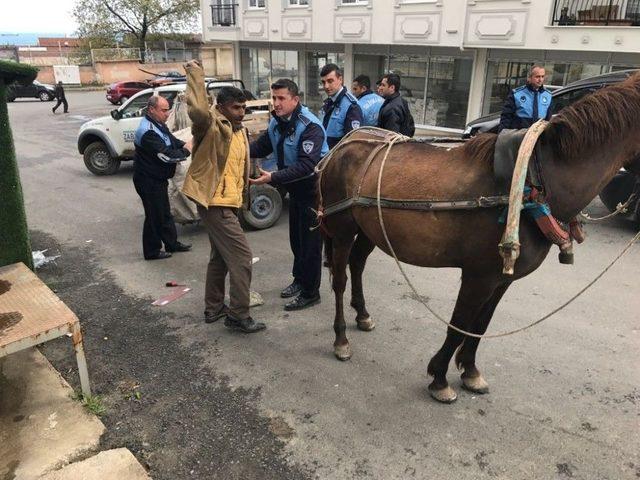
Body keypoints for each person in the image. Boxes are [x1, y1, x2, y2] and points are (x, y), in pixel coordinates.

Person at [181, 60, 265, 334]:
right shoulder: (211, 125)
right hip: (215, 203)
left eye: (243, 108)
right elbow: (197, 110)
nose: (241, 113)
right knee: (242, 258)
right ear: (221, 106)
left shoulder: (240, 129)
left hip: (231, 202)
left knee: (219, 257)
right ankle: (238, 315)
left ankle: (214, 308)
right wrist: (195, 74)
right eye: (235, 108)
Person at [250, 79, 328, 311]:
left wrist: (272, 178)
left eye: (281, 98)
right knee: (297, 240)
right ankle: (299, 279)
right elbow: (261, 147)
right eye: (274, 98)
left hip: (313, 192)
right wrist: (236, 149)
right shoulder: (277, 123)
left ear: (295, 100)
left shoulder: (310, 126)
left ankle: (311, 292)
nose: (276, 103)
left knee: (311, 245)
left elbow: (306, 166)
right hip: (294, 191)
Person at [132, 95, 192, 260]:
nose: (167, 114)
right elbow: (166, 156)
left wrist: (184, 144)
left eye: (168, 109)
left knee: (164, 212)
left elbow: (172, 141)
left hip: (157, 178)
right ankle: (151, 251)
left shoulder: (158, 125)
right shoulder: (147, 132)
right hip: (147, 180)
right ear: (152, 110)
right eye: (164, 110)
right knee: (154, 215)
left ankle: (172, 243)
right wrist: (187, 151)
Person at [320, 64, 363, 148]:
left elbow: (353, 143)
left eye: (330, 81)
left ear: (340, 79)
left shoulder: (351, 106)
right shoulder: (329, 101)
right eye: (323, 82)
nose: (326, 86)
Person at [498, 65, 552, 132]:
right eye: (537, 77)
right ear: (529, 78)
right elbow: (506, 116)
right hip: (519, 136)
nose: (540, 79)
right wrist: (502, 135)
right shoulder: (516, 94)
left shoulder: (548, 95)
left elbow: (548, 119)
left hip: (539, 136)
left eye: (542, 76)